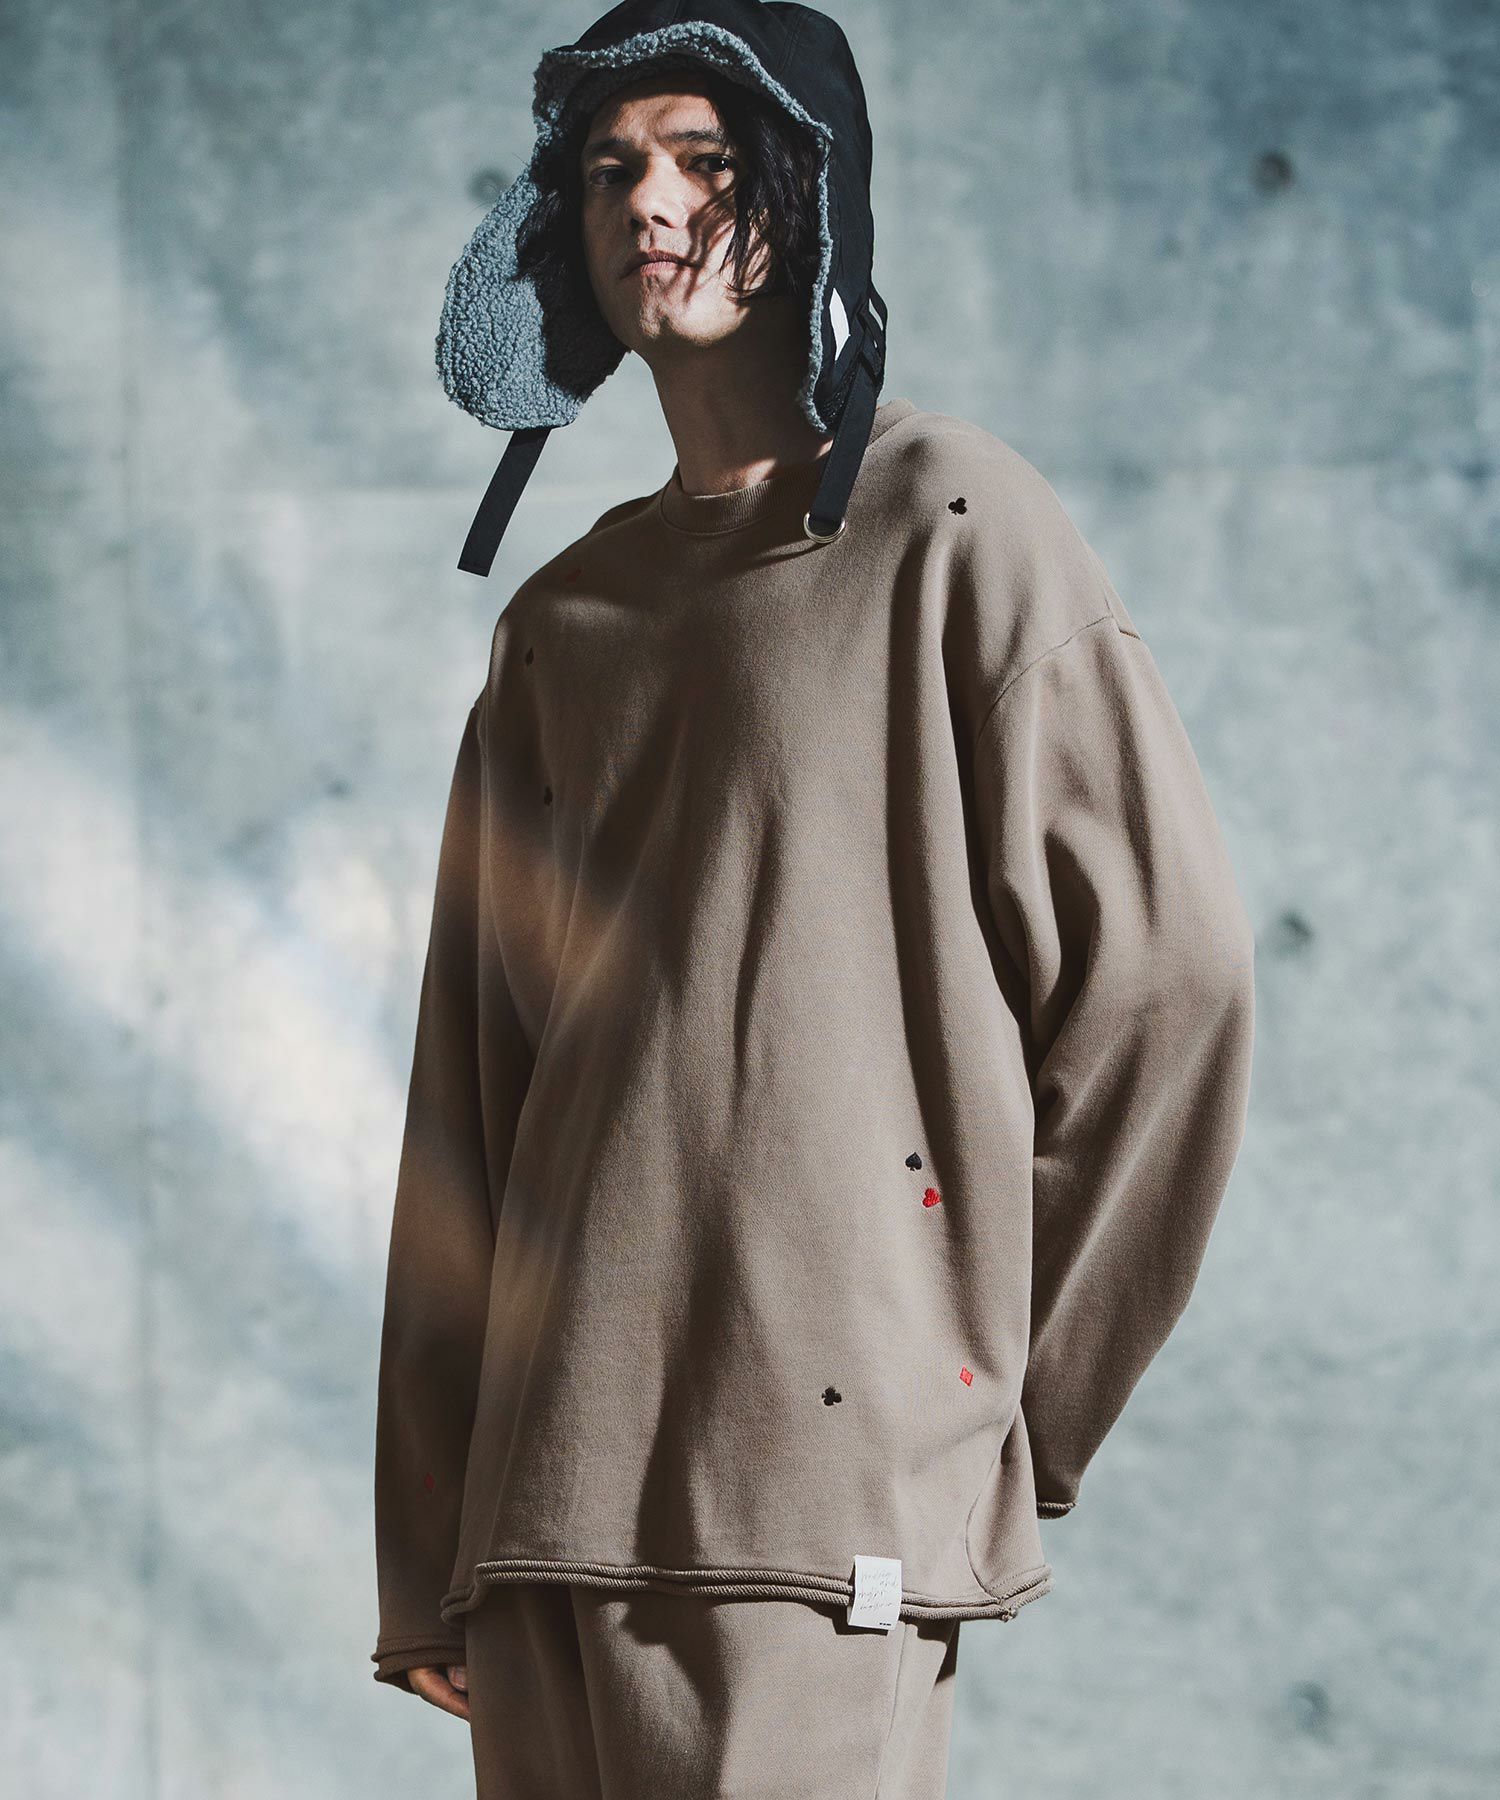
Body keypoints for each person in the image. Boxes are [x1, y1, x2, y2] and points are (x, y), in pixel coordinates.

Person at [370, 4, 1257, 1795]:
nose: (652, 205)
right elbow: (471, 1102)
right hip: (547, 1511)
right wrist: (430, 1545)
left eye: (706, 161)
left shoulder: (954, 524)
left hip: (816, 1500)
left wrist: (994, 1403)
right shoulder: (562, 622)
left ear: (807, 192)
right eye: (611, 170)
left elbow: (1173, 988)